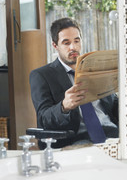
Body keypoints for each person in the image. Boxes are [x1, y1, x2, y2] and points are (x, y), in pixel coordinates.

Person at [29, 18, 118, 148]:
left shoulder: (96, 68)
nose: (73, 47)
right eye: (66, 43)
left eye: (77, 41)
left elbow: (113, 104)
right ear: (55, 45)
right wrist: (64, 106)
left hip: (112, 132)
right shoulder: (41, 75)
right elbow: (43, 119)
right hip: (77, 138)